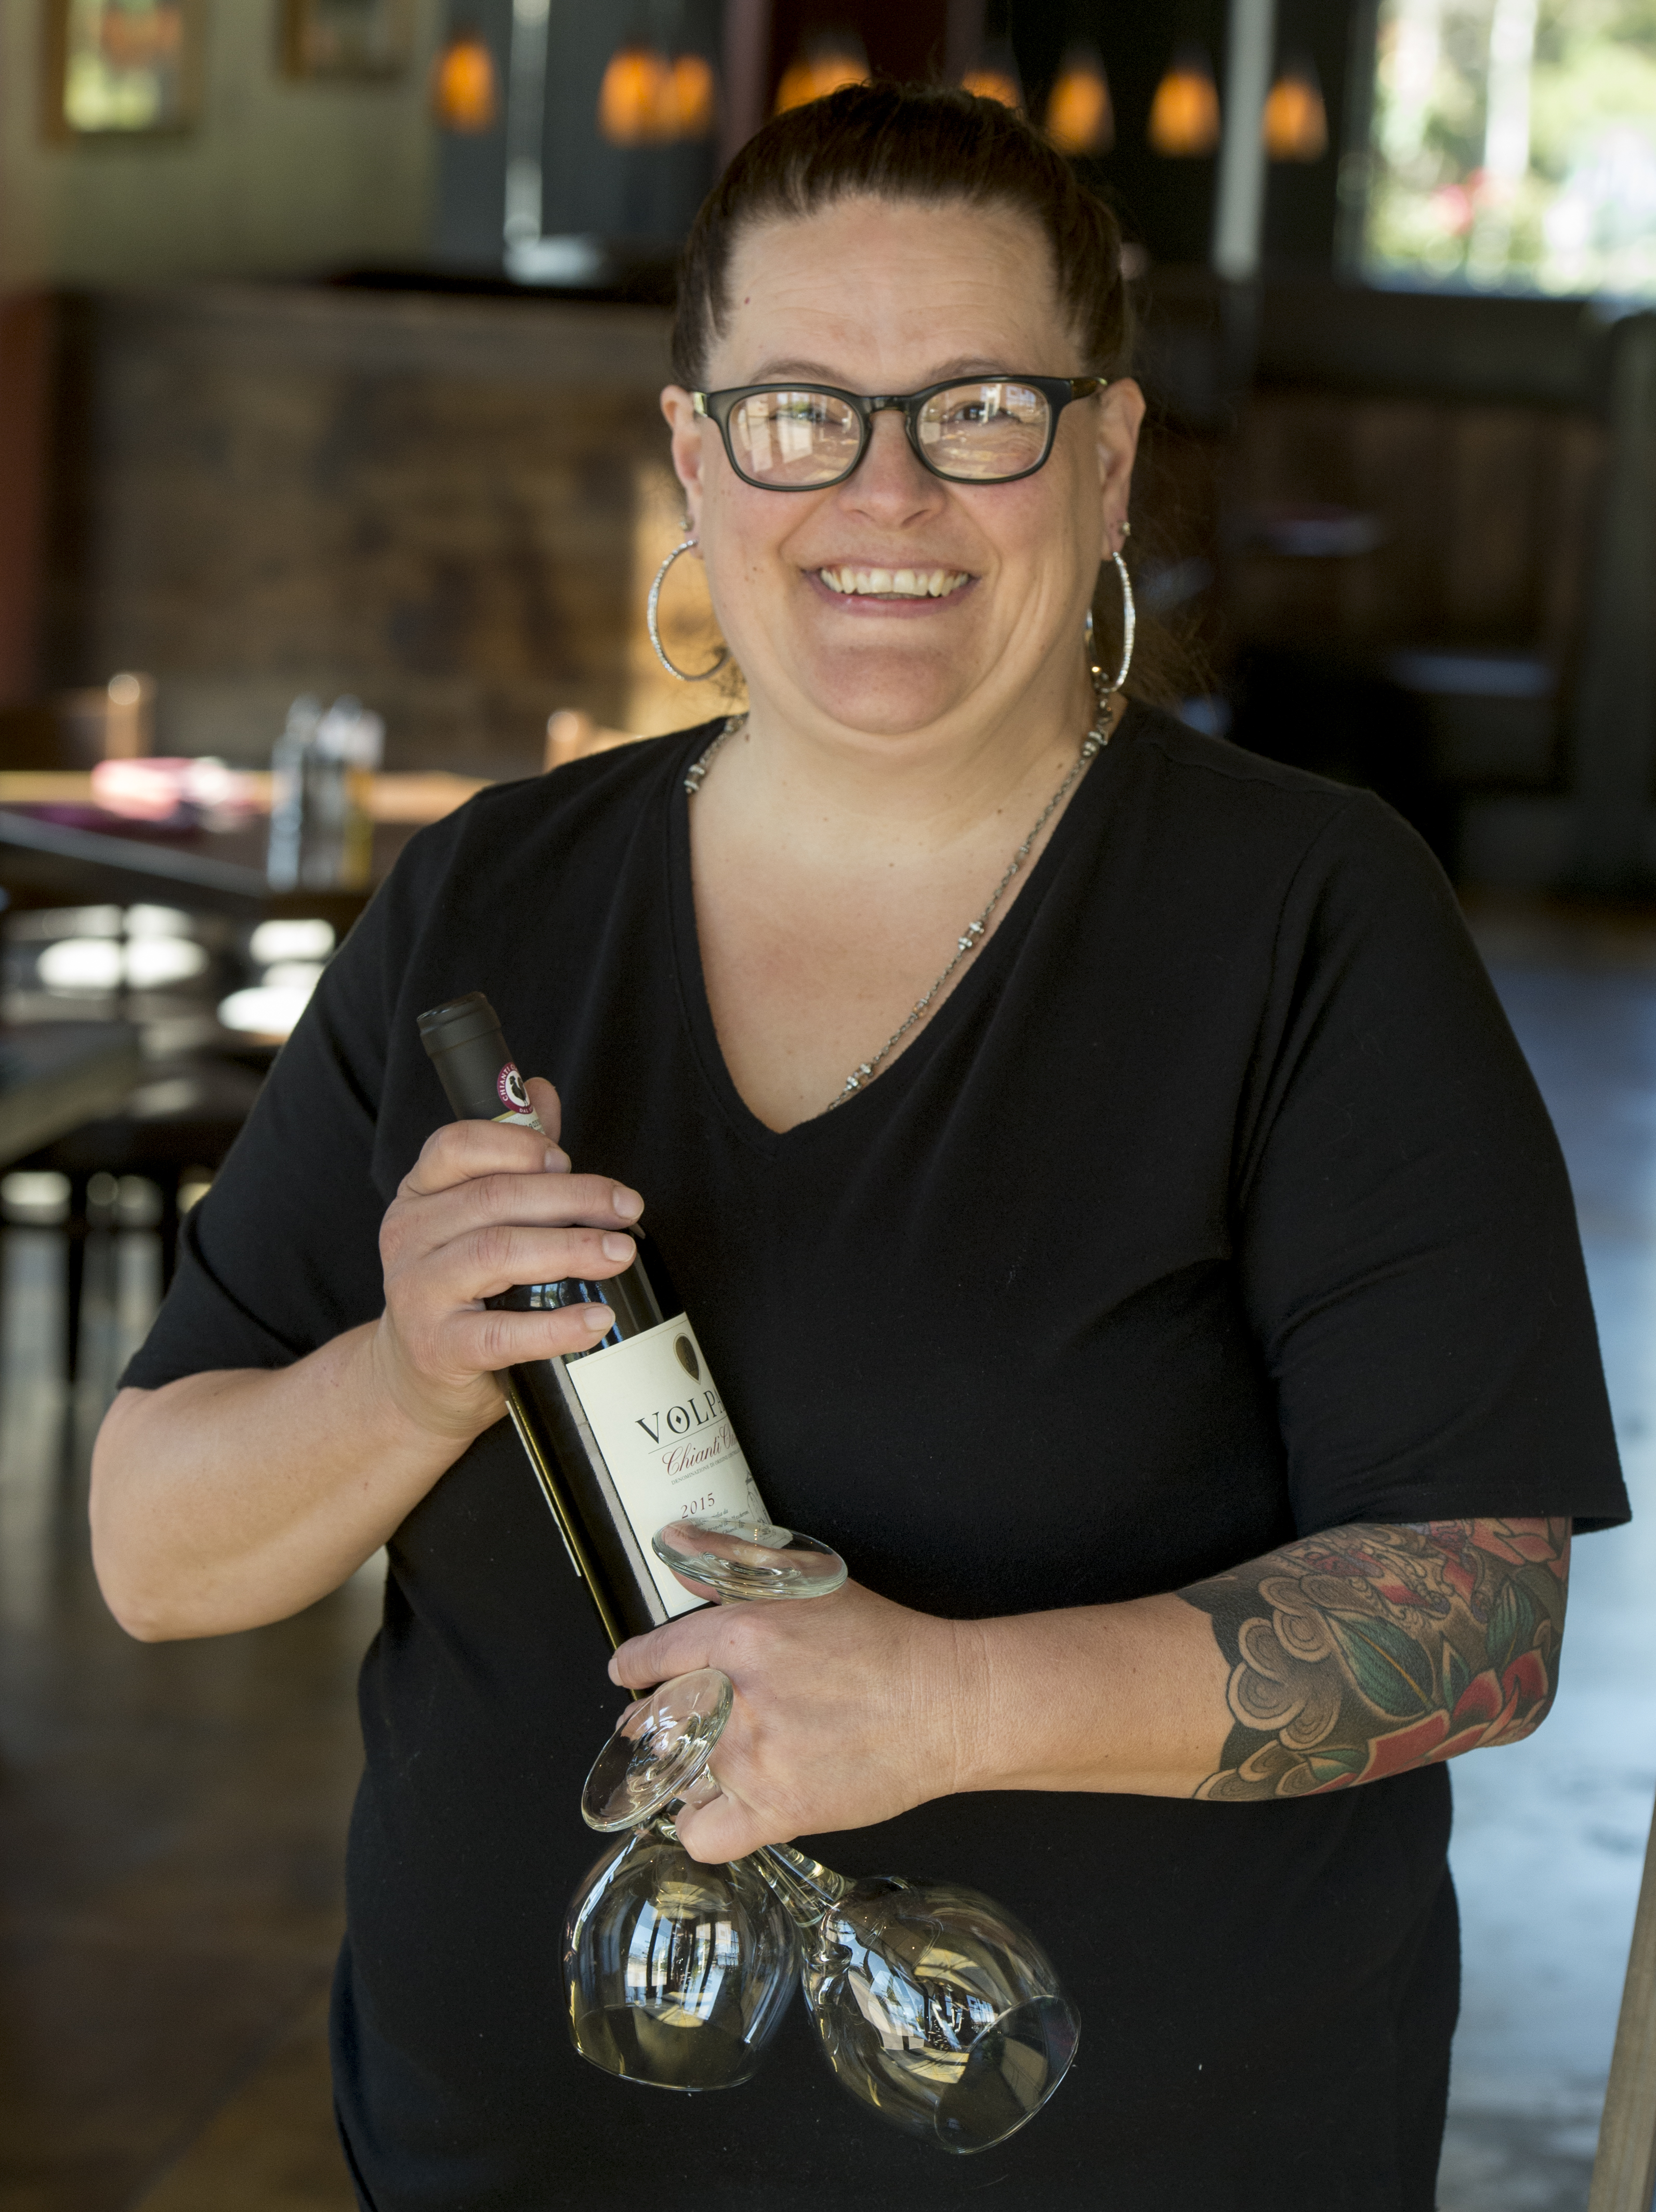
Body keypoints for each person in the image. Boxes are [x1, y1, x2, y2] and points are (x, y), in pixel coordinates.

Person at [89, 84, 1626, 2212]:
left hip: (1152, 2155)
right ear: (693, 456)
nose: (880, 487)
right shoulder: (487, 907)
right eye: (799, 410)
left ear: (1103, 461)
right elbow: (158, 1552)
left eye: (975, 407)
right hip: (497, 2154)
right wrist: (408, 1371)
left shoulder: (1303, 919)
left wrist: (939, 1702)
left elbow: (1475, 1609)